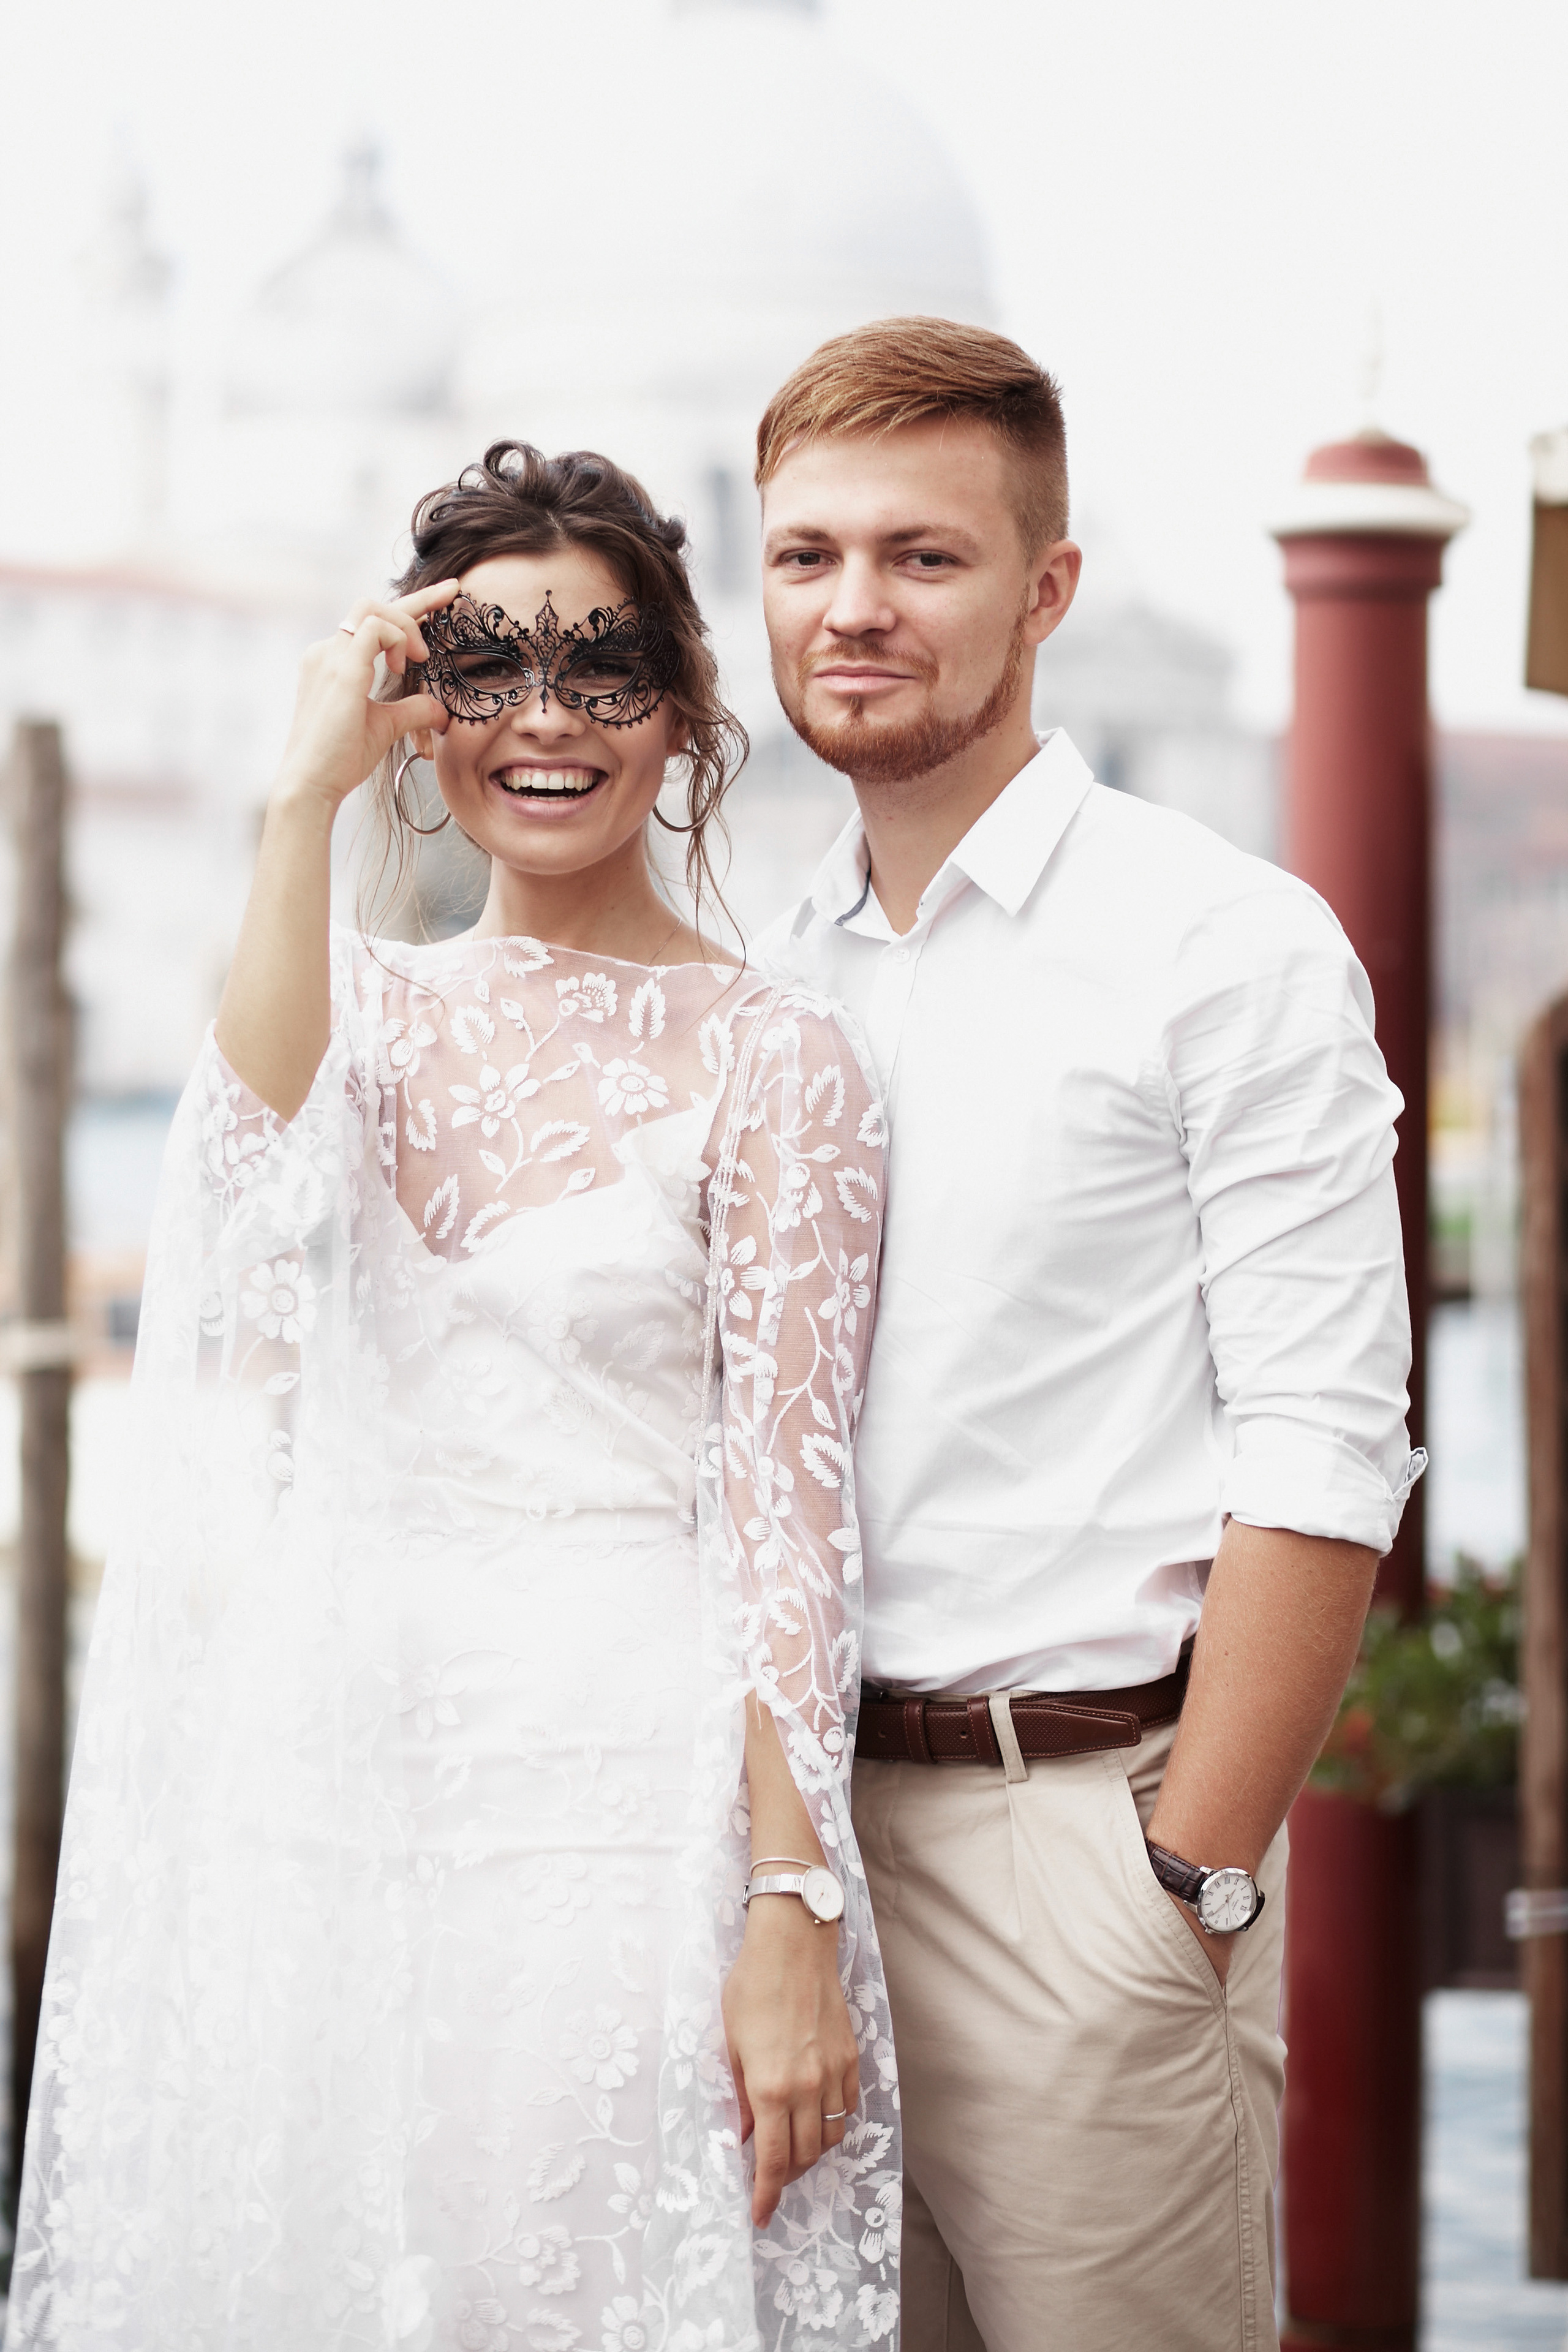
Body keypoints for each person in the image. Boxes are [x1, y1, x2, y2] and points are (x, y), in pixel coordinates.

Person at [7, 445, 901, 2352]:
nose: (549, 721)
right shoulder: (358, 1006)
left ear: (683, 706)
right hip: (329, 1789)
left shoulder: (779, 1056)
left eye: (605, 669)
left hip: (615, 1814)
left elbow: (794, 1516)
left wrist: (792, 1910)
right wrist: (303, 785)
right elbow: (239, 1203)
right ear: (422, 712)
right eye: (486, 669)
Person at [753, 319, 1423, 2352]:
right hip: (786, 1877)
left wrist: (1187, 1887)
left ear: (1048, 588)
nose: (855, 607)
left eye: (923, 558)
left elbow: (1325, 1444)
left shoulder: (1221, 947)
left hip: (1084, 1857)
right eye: (807, 557)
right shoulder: (767, 965)